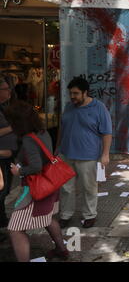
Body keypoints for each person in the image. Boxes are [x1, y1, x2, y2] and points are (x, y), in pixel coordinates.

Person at [5, 101, 69, 262]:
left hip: (37, 189)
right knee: (48, 218)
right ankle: (62, 250)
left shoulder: (28, 139)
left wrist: (19, 171)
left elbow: (36, 166)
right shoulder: (42, 132)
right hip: (51, 186)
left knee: (15, 229)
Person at [56, 77, 112, 229]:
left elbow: (107, 133)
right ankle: (65, 215)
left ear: (85, 92)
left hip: (89, 157)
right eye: (71, 93)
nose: (72, 97)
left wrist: (105, 154)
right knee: (66, 188)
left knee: (89, 187)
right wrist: (57, 149)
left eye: (76, 93)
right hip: (66, 155)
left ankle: (89, 215)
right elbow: (62, 128)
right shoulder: (68, 106)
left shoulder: (99, 107)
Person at [0, 76, 18, 228]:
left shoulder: (5, 106)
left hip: (8, 156)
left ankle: (2, 218)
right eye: (6, 89)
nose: (9, 91)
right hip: (1, 156)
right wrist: (14, 127)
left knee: (5, 190)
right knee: (1, 189)